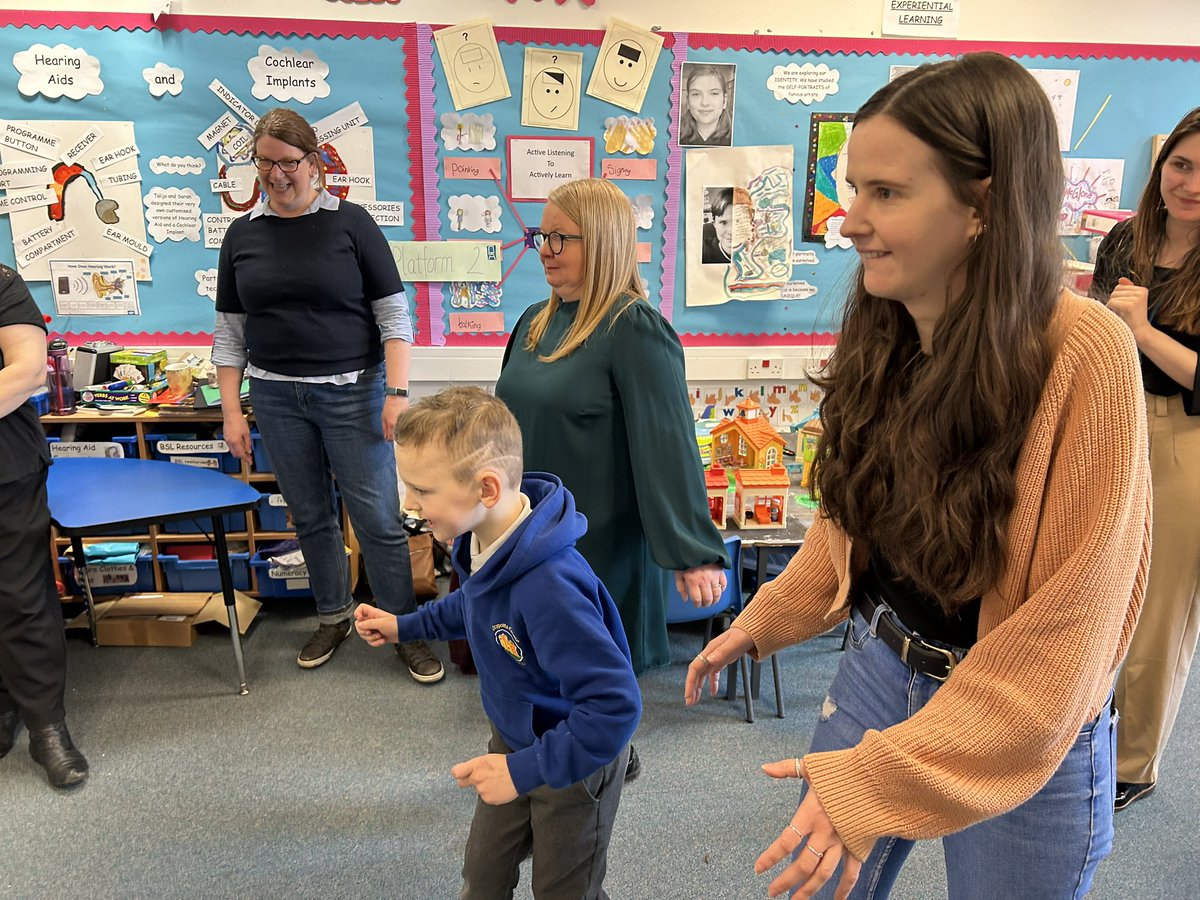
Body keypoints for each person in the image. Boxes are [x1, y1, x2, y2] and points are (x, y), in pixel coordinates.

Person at [686, 53, 1151, 900]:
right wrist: (771, 615)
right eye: (850, 187)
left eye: (884, 194)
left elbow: (1071, 627)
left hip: (1024, 718)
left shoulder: (1085, 352)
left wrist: (885, 776)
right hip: (880, 664)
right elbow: (850, 515)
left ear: (982, 205)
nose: (848, 220)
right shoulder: (885, 320)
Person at [355, 386, 640, 899]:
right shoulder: (481, 535)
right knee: (482, 877)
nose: (408, 505)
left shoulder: (550, 587)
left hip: (573, 759)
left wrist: (525, 771)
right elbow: (472, 607)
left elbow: (616, 707)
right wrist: (405, 626)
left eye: (421, 491)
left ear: (486, 488)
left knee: (563, 890)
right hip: (512, 738)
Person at [213, 107, 442, 682]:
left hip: (354, 394)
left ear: (313, 163)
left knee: (378, 518)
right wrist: (231, 410)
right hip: (275, 397)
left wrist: (396, 392)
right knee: (311, 517)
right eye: (264, 162)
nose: (275, 174)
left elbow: (394, 317)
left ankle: (401, 625)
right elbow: (230, 331)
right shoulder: (242, 236)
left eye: (287, 162)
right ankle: (334, 614)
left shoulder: (352, 224)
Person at [1090, 106, 1200, 813]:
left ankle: (1134, 764)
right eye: (1182, 165)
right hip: (1113, 422)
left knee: (1161, 608)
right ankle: (1087, 729)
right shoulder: (1127, 240)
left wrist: (1142, 327)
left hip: (1184, 443)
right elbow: (1102, 331)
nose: (1191, 183)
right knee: (1101, 585)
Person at [0, 266, 88, 789]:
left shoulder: (2, 285)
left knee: (21, 596)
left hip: (5, 468)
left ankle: (45, 727)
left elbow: (29, 372)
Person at [679, 64, 733, 147]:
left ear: (724, 101)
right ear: (688, 102)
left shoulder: (736, 138)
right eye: (696, 94)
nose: (705, 103)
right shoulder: (675, 136)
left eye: (714, 93)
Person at [701, 187, 735, 264]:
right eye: (723, 222)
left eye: (737, 221)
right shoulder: (704, 254)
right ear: (714, 223)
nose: (731, 231)